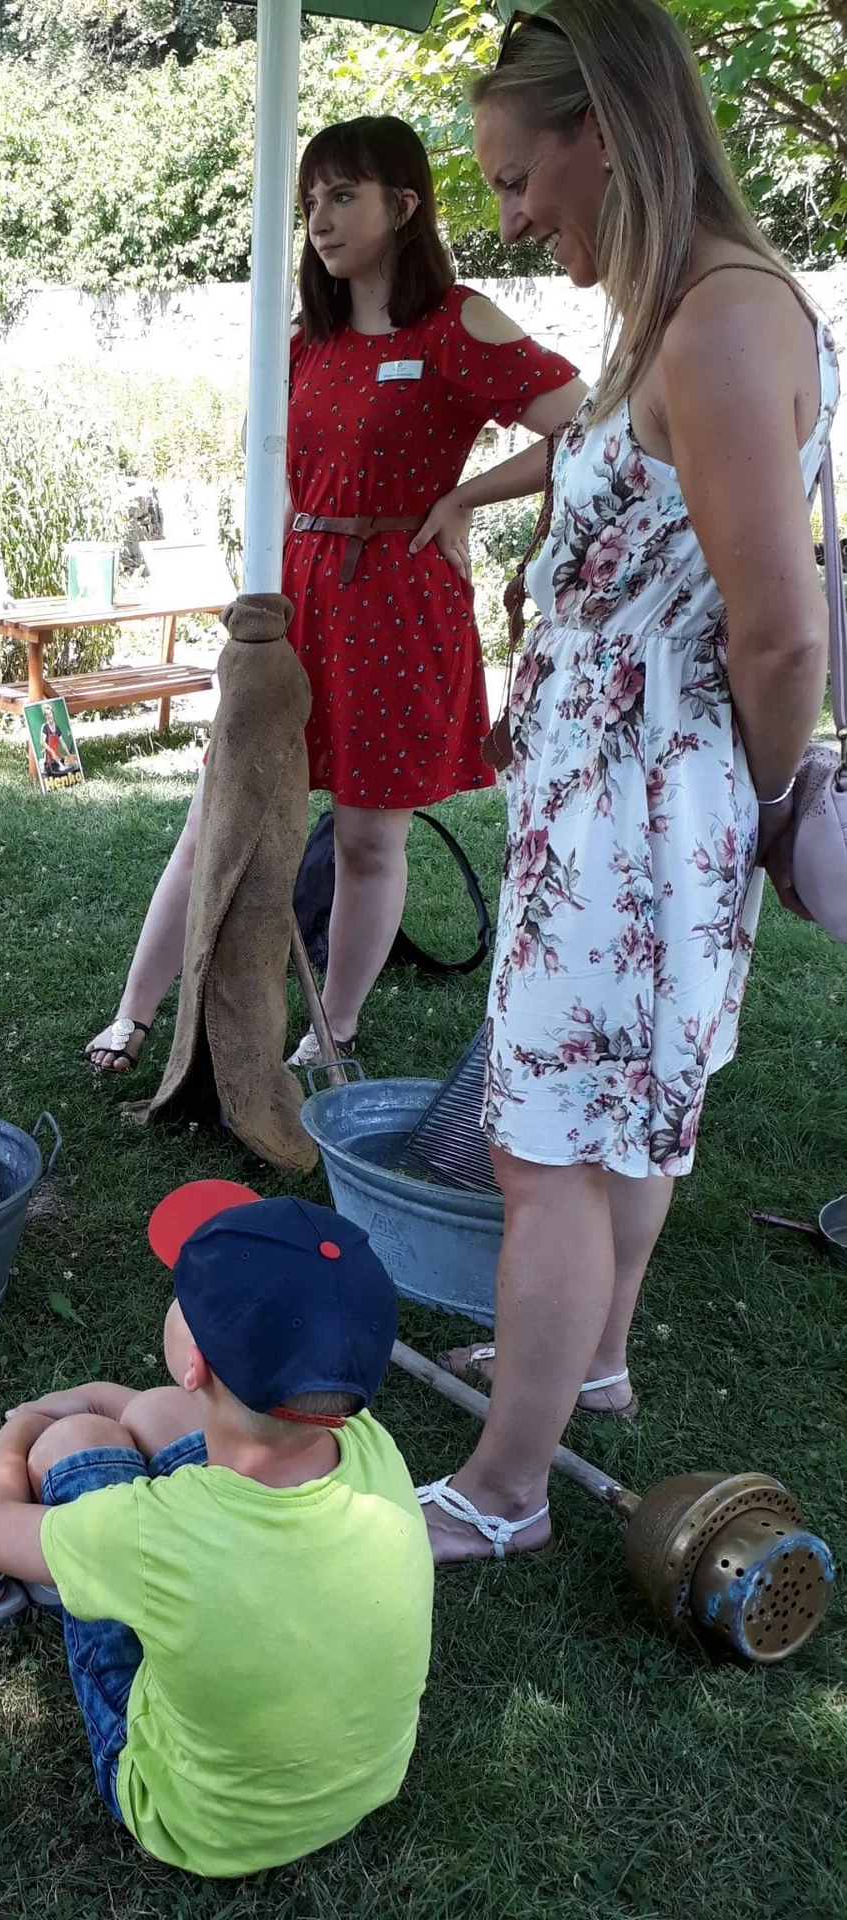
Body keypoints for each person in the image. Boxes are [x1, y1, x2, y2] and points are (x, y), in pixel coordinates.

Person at [407, 0, 837, 1564]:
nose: (511, 217)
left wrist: (754, 802)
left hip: (638, 808)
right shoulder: (686, 307)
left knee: (543, 1150)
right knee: (623, 1121)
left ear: (601, 133)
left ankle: (502, 1492)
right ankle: (586, 1363)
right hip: (631, 790)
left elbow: (780, 634)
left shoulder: (715, 324)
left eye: (517, 178)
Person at [85, 115, 585, 1075]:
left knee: (366, 837)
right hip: (296, 600)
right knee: (216, 814)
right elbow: (273, 479)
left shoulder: (457, 323)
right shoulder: (300, 341)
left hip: (401, 602)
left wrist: (465, 496)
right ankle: (135, 1013)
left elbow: (590, 421)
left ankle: (334, 1028)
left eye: (343, 195)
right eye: (310, 199)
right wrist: (255, 600)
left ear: (404, 204)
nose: (318, 218)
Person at [0, 1191, 433, 1879]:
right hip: (358, 1782)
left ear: (195, 1359)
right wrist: (104, 1397)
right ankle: (58, 1549)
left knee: (72, 1445)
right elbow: (179, 1412)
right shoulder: (372, 1448)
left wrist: (21, 1429)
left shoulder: (154, 1536)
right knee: (159, 1416)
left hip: (194, 1819)